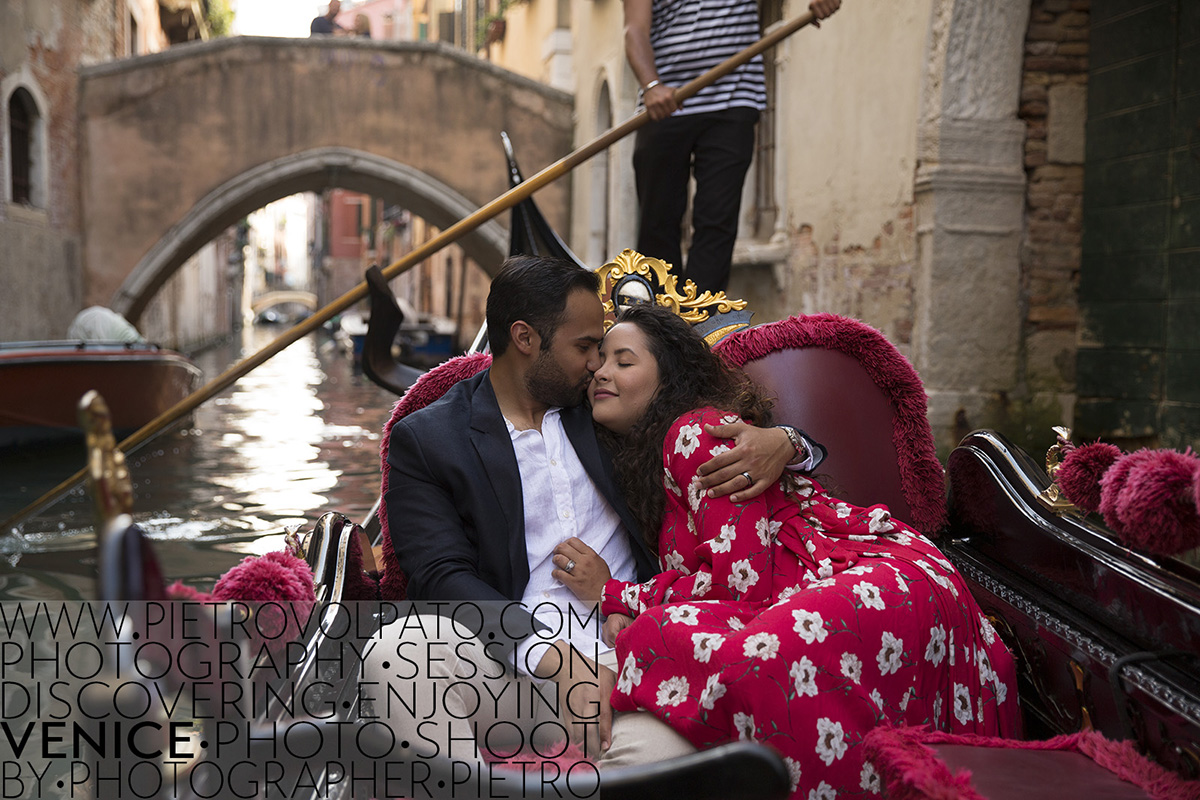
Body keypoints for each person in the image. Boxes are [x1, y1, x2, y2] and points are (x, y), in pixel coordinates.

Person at [364, 256, 810, 773]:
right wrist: (550, 658)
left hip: (633, 657)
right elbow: (441, 576)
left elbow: (717, 414)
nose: (597, 364)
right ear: (526, 339)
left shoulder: (608, 407)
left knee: (659, 762)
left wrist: (789, 441)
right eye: (584, 347)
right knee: (398, 652)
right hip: (507, 660)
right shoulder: (429, 439)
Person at [558, 303, 1019, 798]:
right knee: (672, 635)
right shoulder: (641, 462)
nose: (600, 372)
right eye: (599, 361)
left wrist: (616, 594)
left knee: (721, 648)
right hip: (830, 583)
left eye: (623, 361)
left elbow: (741, 580)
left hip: (872, 573)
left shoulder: (694, 431)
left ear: (667, 378)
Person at [624, 0, 841, 294]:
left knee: (717, 220)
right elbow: (635, 29)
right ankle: (658, 324)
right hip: (664, 103)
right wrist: (651, 87)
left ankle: (701, 325)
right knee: (656, 222)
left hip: (734, 98)